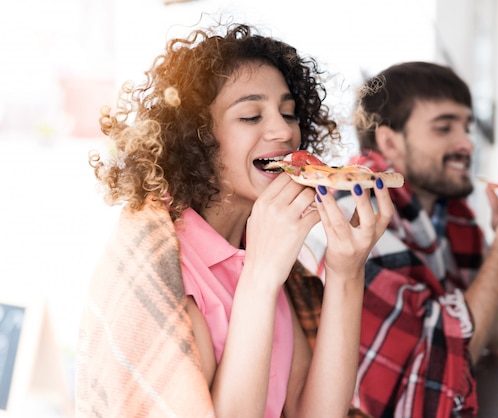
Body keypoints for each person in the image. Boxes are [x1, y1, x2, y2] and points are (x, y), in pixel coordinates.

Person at [75, 20, 395, 418]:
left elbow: (312, 412)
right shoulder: (175, 279)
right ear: (196, 138)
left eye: (289, 113)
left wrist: (346, 270)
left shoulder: (255, 250)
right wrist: (260, 278)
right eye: (250, 117)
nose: (283, 131)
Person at [300, 61, 498, 417]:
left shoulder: (451, 215)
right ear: (389, 141)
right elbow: (439, 362)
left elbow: (496, 338)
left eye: (467, 127)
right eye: (444, 128)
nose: (468, 144)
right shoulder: (351, 213)